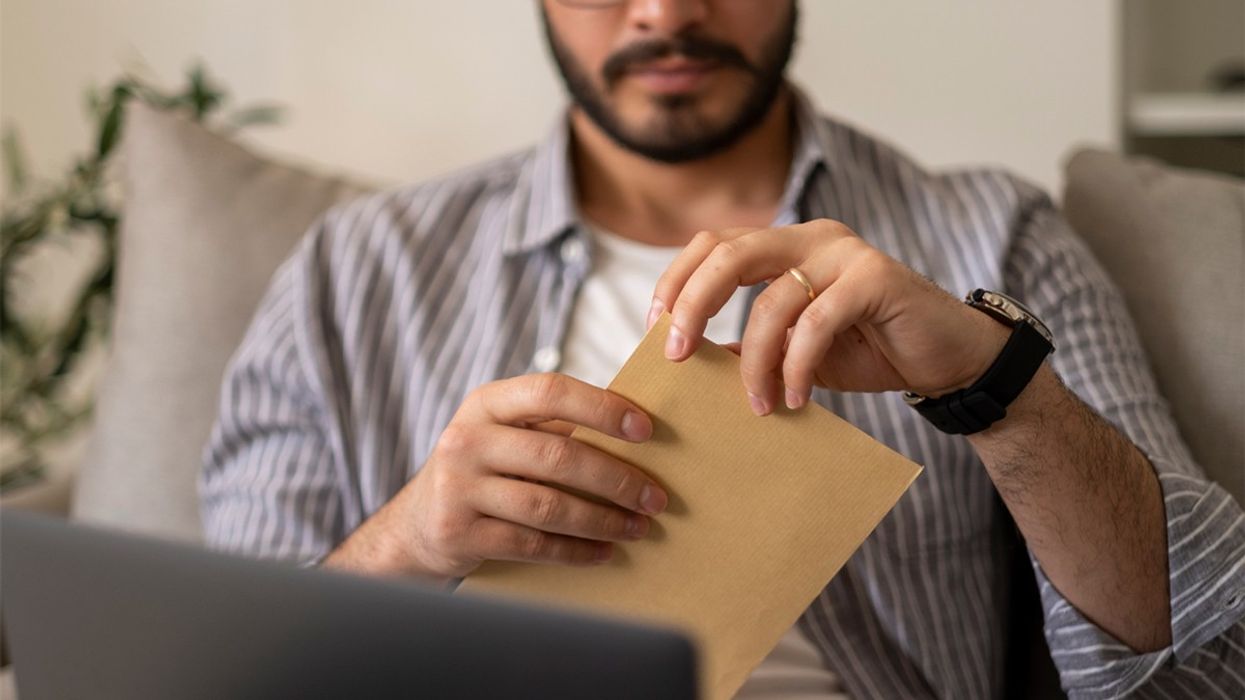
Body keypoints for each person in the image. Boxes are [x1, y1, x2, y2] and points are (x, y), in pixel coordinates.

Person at [200, 1, 1245, 697]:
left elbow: (1197, 653)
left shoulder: (990, 235)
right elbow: (220, 670)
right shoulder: (353, 273)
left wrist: (997, 387)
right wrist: (409, 543)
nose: (666, 9)